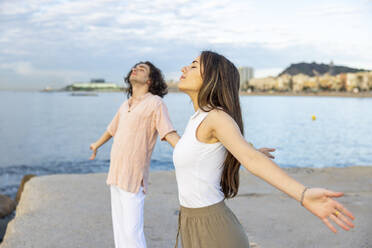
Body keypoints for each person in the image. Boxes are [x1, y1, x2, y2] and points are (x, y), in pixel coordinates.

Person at [172, 51, 355, 248]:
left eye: (193, 66)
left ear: (212, 78)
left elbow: (251, 159)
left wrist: (303, 194)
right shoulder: (196, 119)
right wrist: (164, 130)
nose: (184, 68)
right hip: (190, 222)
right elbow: (196, 154)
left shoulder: (216, 117)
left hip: (212, 227)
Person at [89, 61, 179, 248]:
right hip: (115, 173)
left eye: (141, 69)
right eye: (134, 68)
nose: (134, 70)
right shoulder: (125, 105)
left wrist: (188, 151)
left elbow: (168, 132)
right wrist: (97, 144)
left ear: (150, 80)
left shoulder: (156, 103)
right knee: (120, 230)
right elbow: (111, 129)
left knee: (132, 233)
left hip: (133, 177)